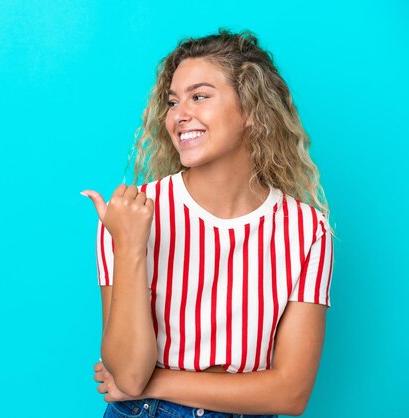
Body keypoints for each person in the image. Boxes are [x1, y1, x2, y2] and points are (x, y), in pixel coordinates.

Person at [81, 28, 334, 417]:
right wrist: (130, 244)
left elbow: (291, 393)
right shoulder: (132, 213)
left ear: (251, 109)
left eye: (199, 96)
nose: (179, 115)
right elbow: (129, 377)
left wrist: (159, 380)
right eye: (172, 102)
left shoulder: (306, 230)